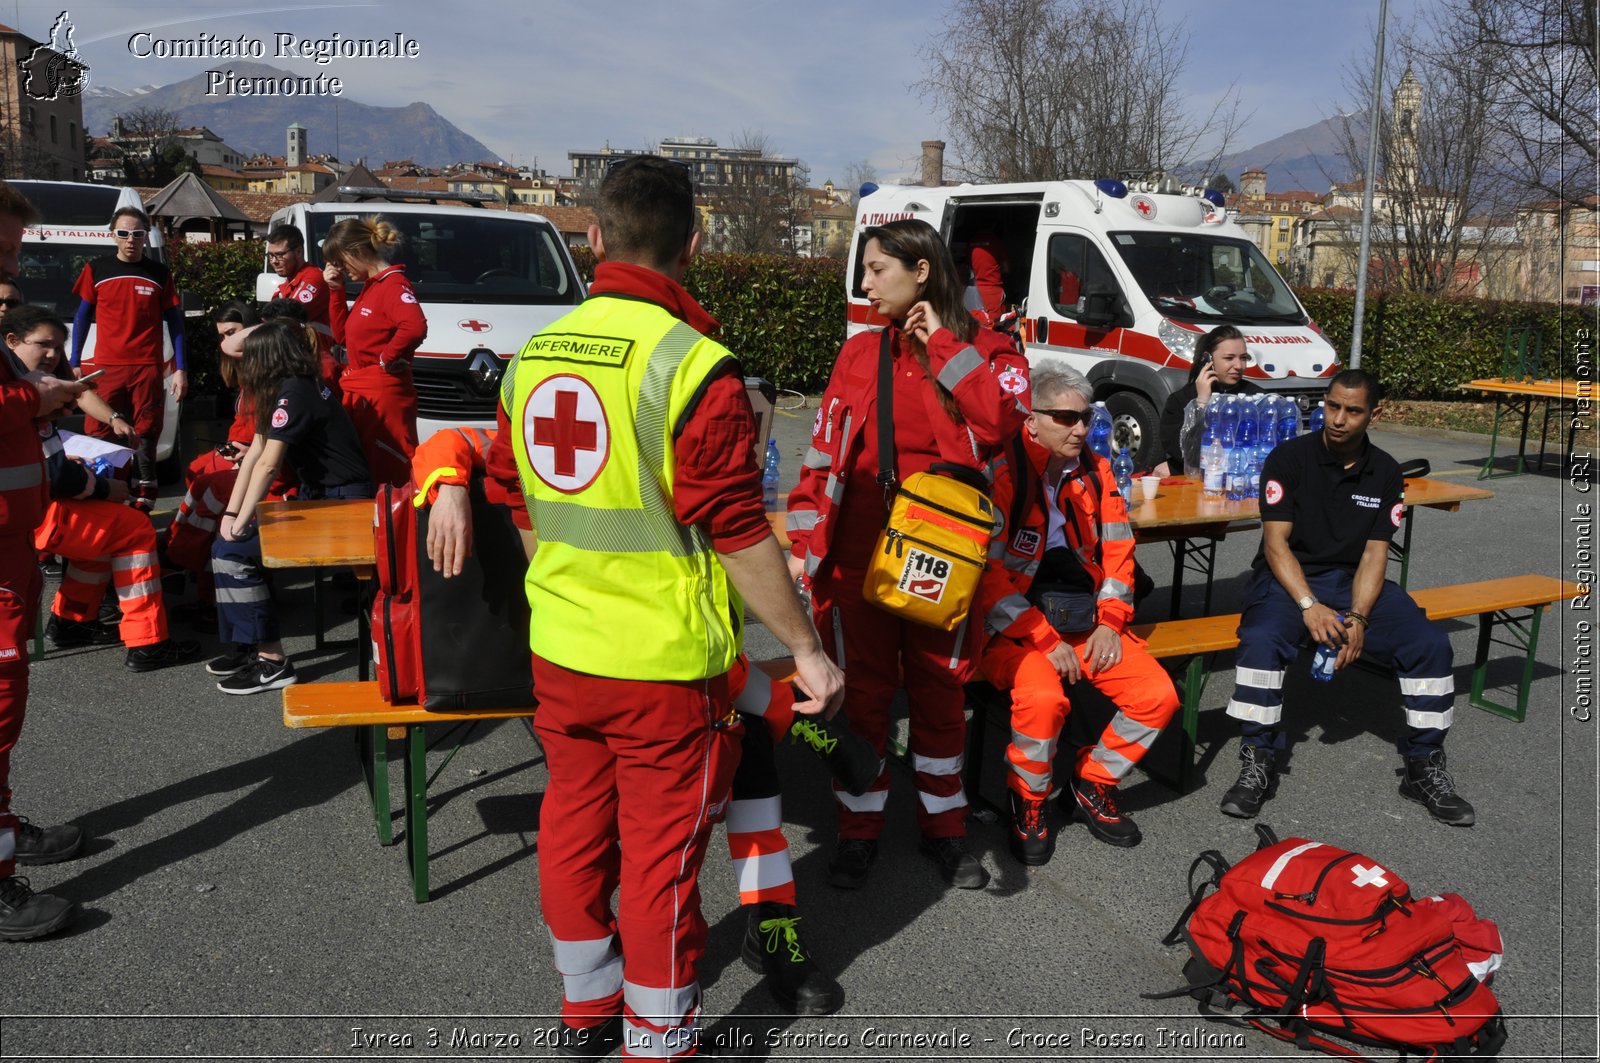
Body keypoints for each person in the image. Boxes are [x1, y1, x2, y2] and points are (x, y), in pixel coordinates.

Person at [489, 155, 845, 1059]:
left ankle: (586, 1009)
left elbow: (514, 497)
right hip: (663, 673)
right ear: (694, 243)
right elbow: (735, 529)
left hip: (562, 654)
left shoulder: (533, 354)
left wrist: (565, 582)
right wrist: (805, 647)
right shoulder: (691, 364)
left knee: (572, 833)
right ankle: (660, 1041)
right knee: (660, 867)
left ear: (596, 237)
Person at [415, 425, 867, 1020]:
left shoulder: (667, 433)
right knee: (651, 848)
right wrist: (446, 484)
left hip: (700, 655)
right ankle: (651, 1006)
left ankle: (774, 928)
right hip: (633, 666)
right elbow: (457, 438)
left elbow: (732, 534)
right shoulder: (620, 405)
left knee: (752, 773)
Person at [786, 218, 1030, 892]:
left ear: (921, 271)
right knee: (862, 697)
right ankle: (860, 830)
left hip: (939, 558)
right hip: (856, 558)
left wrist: (943, 343)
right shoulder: (860, 352)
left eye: (875, 269)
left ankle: (944, 830)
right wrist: (806, 550)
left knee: (937, 694)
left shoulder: (987, 346)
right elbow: (823, 454)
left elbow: (1001, 422)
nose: (863, 283)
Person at [1219, 368, 1474, 826]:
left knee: (1430, 645)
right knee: (1261, 640)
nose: (1337, 419)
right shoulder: (1288, 458)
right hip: (1288, 580)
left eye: (1352, 411)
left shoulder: (1385, 472)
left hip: (1353, 580)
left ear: (1374, 414)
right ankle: (1259, 756)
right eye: (1332, 406)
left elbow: (1376, 554)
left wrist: (1357, 617)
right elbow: (1276, 545)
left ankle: (1422, 765)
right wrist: (1308, 606)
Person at [975, 365, 1179, 864]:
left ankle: (1092, 783)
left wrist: (1111, 622)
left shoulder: (1096, 468)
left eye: (1085, 417)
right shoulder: (1001, 474)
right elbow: (985, 576)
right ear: (1031, 421)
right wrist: (1044, 638)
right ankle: (1028, 799)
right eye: (1065, 417)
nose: (1080, 429)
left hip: (1083, 618)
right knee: (1043, 700)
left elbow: (1119, 553)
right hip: (1011, 628)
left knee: (1157, 697)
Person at [6, 305, 200, 671]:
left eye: (58, 347)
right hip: (30, 514)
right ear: (12, 341)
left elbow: (49, 451)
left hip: (31, 508)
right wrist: (99, 486)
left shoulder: (26, 380)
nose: (52, 355)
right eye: (43, 345)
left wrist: (89, 450)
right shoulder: (20, 390)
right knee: (135, 528)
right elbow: (51, 472)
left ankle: (72, 621)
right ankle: (148, 641)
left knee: (102, 533)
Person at [0, 180, 90, 940]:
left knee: (7, 709)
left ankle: (2, 828)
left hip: (13, 545)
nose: (11, 275)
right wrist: (38, 398)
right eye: (1, 252)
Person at [209, 321, 372, 694]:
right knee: (228, 542)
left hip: (344, 507)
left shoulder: (294, 392)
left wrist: (239, 520)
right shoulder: (288, 386)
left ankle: (272, 662)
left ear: (265, 358)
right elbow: (254, 456)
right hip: (326, 500)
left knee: (232, 551)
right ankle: (252, 647)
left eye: (251, 357)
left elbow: (268, 464)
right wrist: (232, 516)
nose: (243, 363)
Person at [67, 207, 187, 512]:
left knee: (145, 436)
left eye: (137, 233)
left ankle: (143, 507)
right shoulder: (96, 269)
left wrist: (182, 368)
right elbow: (81, 317)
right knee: (100, 433)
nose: (130, 239)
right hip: (107, 368)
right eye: (123, 233)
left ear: (146, 236)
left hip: (147, 367)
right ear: (112, 235)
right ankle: (104, 498)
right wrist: (74, 359)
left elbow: (176, 323)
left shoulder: (160, 274)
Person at [322, 216, 425, 487]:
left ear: (354, 252)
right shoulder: (373, 287)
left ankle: (399, 526)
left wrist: (386, 359)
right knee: (370, 470)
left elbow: (414, 327)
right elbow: (343, 336)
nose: (340, 269)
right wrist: (336, 291)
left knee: (391, 473)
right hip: (365, 393)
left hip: (381, 396)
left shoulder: (392, 284)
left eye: (340, 262)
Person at [1153, 324, 1260, 478]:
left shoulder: (1255, 397)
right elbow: (1184, 454)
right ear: (1207, 359)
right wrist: (1202, 404)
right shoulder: (1180, 400)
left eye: (1243, 358)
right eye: (1229, 358)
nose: (1238, 366)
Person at [266, 224, 341, 394]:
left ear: (299, 252)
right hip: (296, 364)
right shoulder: (284, 287)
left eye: (280, 255)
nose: (274, 261)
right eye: (270, 255)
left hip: (316, 365)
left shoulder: (313, 277)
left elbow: (288, 317)